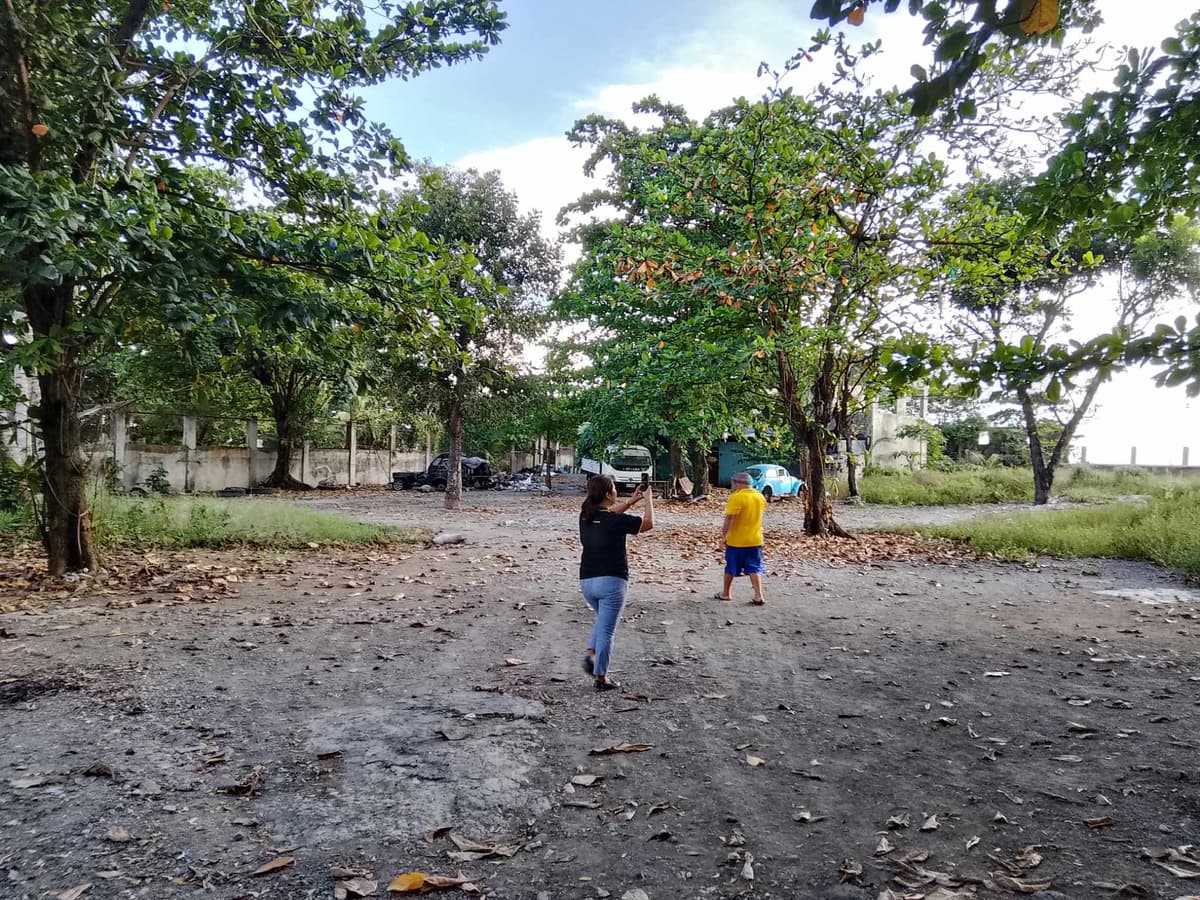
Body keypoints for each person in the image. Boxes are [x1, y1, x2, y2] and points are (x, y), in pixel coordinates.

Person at [578, 474, 654, 691]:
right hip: (612, 581)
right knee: (607, 631)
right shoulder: (615, 521)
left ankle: (591, 655)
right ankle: (600, 677)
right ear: (609, 494)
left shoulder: (585, 516)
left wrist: (632, 501)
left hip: (587, 582)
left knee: (602, 620)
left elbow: (608, 513)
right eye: (614, 489)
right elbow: (648, 524)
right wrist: (648, 499)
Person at [717, 471, 767, 605]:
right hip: (756, 540)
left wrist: (724, 536)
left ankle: (726, 593)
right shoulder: (760, 496)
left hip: (737, 541)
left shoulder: (736, 497)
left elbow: (729, 519)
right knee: (755, 567)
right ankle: (758, 595)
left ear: (739, 484)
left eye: (733, 482)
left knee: (731, 567)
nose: (732, 485)